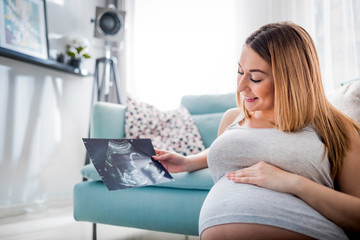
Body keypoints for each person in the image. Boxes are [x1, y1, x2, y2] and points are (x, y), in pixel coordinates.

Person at [152, 22, 360, 240]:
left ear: (290, 79)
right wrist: (189, 161)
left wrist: (293, 183)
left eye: (255, 77)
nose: (241, 86)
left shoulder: (336, 128)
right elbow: (243, 147)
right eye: (240, 72)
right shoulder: (233, 119)